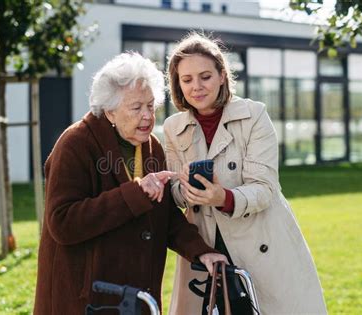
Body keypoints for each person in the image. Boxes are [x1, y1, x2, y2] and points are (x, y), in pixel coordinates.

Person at [33, 52, 227, 315]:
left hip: (135, 297)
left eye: (151, 106)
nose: (147, 116)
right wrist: (134, 193)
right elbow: (62, 222)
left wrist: (200, 251)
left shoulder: (152, 147)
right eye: (136, 108)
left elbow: (165, 216)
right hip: (87, 299)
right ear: (110, 111)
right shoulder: (75, 143)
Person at [163, 33, 327, 314]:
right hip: (206, 248)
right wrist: (185, 190)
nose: (197, 87)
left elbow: (265, 188)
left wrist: (222, 197)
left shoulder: (254, 116)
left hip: (260, 243)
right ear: (177, 84)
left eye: (205, 76)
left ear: (222, 76)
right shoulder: (172, 128)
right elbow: (174, 193)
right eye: (186, 80)